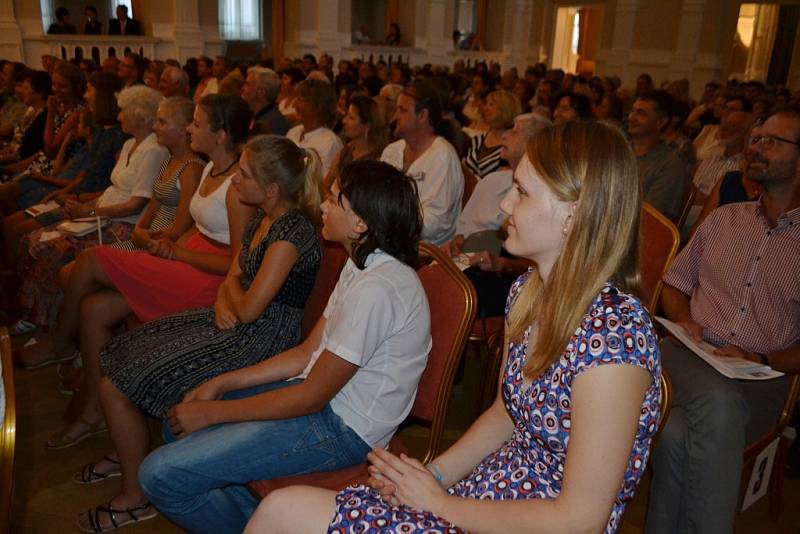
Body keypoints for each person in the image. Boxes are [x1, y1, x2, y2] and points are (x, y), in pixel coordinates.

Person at [249, 119, 661, 534]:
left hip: (529, 520)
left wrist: (441, 503)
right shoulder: (528, 293)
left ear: (575, 213)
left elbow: (581, 520)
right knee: (281, 510)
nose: (504, 206)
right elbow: (505, 414)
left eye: (521, 192)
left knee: (283, 513)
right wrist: (435, 476)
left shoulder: (613, 334)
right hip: (489, 495)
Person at [135, 160, 431, 533]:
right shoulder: (362, 265)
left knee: (160, 474)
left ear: (360, 224)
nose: (323, 205)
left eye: (334, 199)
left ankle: (264, 524)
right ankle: (265, 520)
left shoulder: (377, 290)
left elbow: (311, 397)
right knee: (176, 421)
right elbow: (307, 353)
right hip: (323, 405)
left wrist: (215, 414)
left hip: (344, 432)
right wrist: (223, 384)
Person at [73, 135, 324, 532]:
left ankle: (136, 498)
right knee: (125, 349)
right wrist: (225, 301)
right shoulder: (264, 216)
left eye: (244, 174)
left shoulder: (291, 234)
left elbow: (251, 306)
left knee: (117, 383)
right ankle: (129, 452)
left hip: (262, 339)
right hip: (239, 323)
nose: (236, 180)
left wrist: (233, 298)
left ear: (272, 188)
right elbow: (235, 277)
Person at [646, 106, 800, 534]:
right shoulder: (724, 219)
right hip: (690, 355)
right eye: (757, 138)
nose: (758, 147)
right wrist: (684, 318)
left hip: (761, 377)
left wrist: (760, 355)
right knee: (717, 400)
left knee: (678, 435)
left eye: (774, 141)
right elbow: (674, 285)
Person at [12, 85, 164, 334]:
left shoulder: (153, 151)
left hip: (121, 225)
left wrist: (89, 212)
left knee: (46, 247)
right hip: (99, 215)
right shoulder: (129, 145)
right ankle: (38, 313)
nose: (119, 116)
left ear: (140, 115)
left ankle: (48, 320)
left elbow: (136, 204)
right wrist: (86, 205)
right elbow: (114, 187)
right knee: (32, 239)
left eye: (124, 111)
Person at [444, 113, 549, 317]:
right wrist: (455, 246)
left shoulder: (545, 198)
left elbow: (542, 269)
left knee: (449, 297)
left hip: (507, 279)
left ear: (536, 143)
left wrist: (501, 264)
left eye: (515, 131)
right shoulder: (490, 181)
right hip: (467, 266)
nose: (504, 136)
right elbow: (461, 232)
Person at [381, 79, 464, 245]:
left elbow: (435, 223)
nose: (394, 116)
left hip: (428, 254)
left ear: (422, 116)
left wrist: (387, 219)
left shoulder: (442, 157)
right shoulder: (392, 151)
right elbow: (376, 197)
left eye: (402, 110)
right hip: (390, 242)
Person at [628, 90, 691, 221]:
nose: (631, 118)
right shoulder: (619, 152)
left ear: (660, 122)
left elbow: (652, 220)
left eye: (641, 113)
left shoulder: (670, 166)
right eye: (632, 111)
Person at [323, 94, 388, 192]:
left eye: (351, 118)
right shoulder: (346, 151)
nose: (344, 121)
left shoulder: (377, 160)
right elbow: (325, 185)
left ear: (367, 126)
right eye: (346, 116)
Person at [286, 78, 343, 176]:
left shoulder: (329, 143)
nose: (294, 105)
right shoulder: (293, 133)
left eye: (300, 100)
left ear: (317, 106)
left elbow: (320, 185)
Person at [463, 89, 521, 179]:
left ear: (505, 109)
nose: (485, 108)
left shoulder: (511, 147)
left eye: (491, 104)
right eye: (486, 104)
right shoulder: (477, 140)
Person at [241, 66, 288, 136]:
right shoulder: (254, 116)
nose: (242, 88)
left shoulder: (272, 124)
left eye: (248, 85)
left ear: (261, 92)